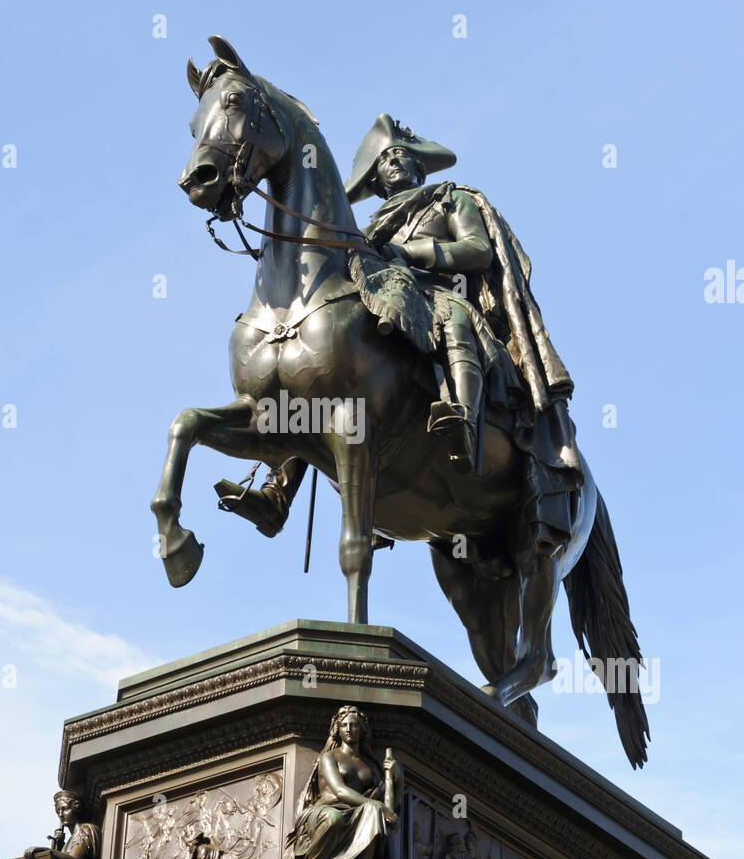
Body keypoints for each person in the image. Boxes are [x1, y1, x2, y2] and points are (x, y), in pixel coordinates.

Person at [217, 115, 582, 560]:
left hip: (441, 294)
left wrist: (410, 253)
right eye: (383, 162)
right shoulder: (370, 228)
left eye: (399, 156)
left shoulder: (450, 199)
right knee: (320, 373)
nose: (392, 164)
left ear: (417, 165)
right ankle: (277, 493)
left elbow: (477, 250)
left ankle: (464, 421)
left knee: (455, 320)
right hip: (386, 301)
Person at [284, 705, 400, 859]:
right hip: (327, 808)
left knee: (373, 810)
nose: (349, 729)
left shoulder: (370, 764)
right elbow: (340, 790)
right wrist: (379, 806)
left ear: (362, 729)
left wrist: (397, 779)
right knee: (334, 818)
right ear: (337, 730)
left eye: (354, 725)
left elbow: (388, 805)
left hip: (356, 811)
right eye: (344, 725)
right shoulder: (329, 757)